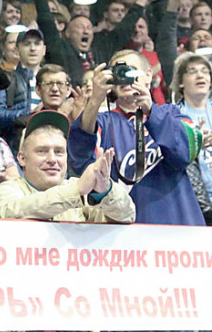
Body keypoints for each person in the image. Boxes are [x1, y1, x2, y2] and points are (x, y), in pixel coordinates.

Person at [0, 110, 136, 332]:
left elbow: (127, 215)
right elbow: (15, 211)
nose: (52, 159)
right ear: (21, 158)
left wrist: (105, 190)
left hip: (72, 322)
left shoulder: (80, 191)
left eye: (59, 152)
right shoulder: (6, 191)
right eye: (42, 151)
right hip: (12, 326)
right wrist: (77, 190)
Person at [70, 49, 205, 226]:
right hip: (125, 231)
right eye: (118, 72)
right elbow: (79, 159)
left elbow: (185, 153)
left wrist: (152, 112)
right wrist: (95, 98)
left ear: (148, 76)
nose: (124, 77)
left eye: (131, 70)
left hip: (178, 226)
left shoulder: (171, 113)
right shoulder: (102, 121)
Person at [171, 53, 212, 223]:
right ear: (181, 82)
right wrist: (193, 146)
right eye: (192, 71)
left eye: (205, 71)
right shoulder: (173, 116)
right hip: (197, 205)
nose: (200, 75)